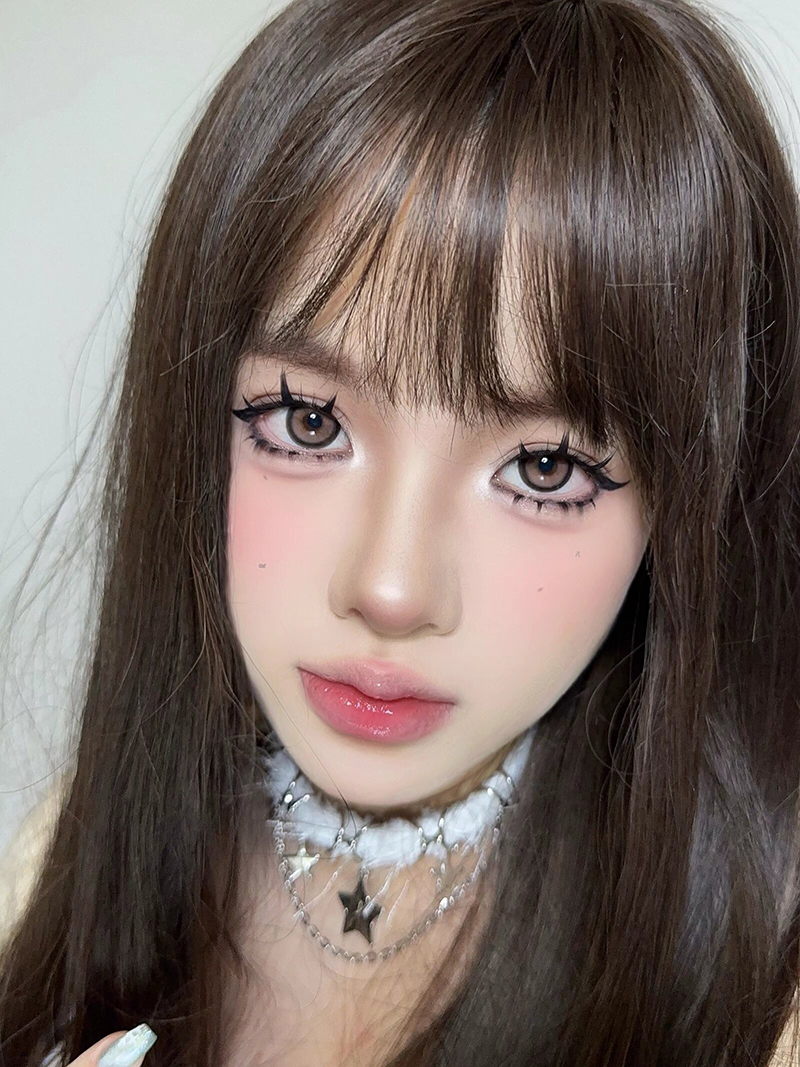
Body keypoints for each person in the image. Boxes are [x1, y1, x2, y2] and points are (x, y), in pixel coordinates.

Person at [2, 0, 799, 1063]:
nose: (390, 586)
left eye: (544, 468)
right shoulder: (57, 860)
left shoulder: (767, 998)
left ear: (689, 511)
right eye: (307, 422)